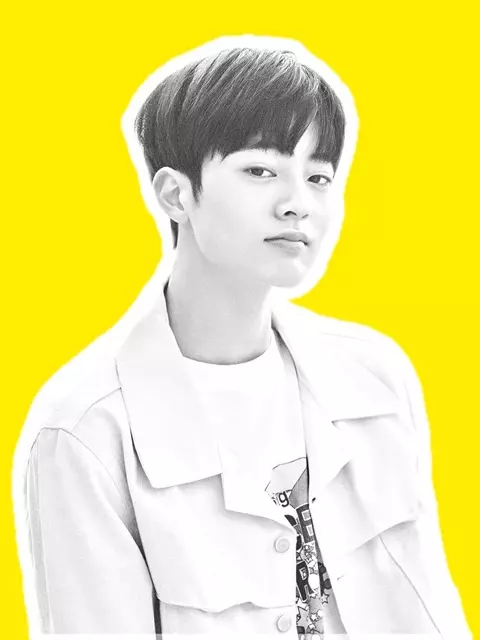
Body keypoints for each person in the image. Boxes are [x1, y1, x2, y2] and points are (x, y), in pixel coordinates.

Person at [13, 35, 472, 639]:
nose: (298, 204)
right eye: (260, 170)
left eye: (318, 176)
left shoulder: (376, 380)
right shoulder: (87, 433)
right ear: (176, 194)